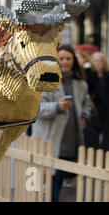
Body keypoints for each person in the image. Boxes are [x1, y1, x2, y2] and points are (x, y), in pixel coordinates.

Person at [32, 45, 91, 202]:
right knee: (50, 186)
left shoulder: (81, 84)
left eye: (68, 58)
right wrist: (57, 107)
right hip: (51, 141)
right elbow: (36, 109)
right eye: (61, 58)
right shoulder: (44, 80)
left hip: (72, 141)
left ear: (74, 61)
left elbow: (86, 103)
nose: (65, 62)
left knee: (67, 184)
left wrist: (85, 116)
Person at [89, 52, 109, 151]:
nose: (98, 63)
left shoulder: (107, 76)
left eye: (100, 60)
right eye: (96, 60)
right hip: (94, 110)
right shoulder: (89, 75)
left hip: (105, 110)